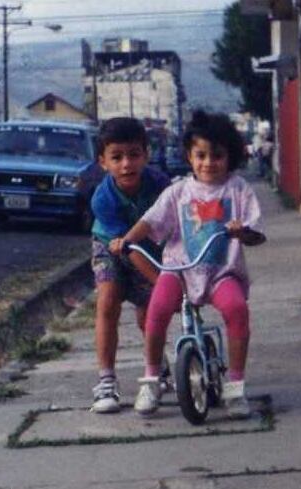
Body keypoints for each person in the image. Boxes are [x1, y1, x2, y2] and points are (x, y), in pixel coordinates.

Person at [110, 110, 266, 418]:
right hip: (179, 270)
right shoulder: (178, 192)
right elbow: (149, 221)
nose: (208, 162)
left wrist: (242, 231)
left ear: (230, 157)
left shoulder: (238, 190)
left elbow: (256, 235)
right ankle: (152, 379)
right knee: (156, 310)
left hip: (222, 272)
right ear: (189, 156)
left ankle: (235, 386)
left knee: (236, 309)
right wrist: (125, 241)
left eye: (217, 156)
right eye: (201, 155)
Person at [89, 117, 172, 413]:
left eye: (134, 155)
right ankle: (106, 381)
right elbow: (126, 247)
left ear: (146, 155)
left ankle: (158, 366)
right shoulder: (103, 199)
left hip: (149, 246)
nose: (126, 164)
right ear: (103, 162)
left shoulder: (161, 185)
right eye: (117, 157)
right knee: (108, 301)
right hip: (111, 246)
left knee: (148, 314)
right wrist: (162, 283)